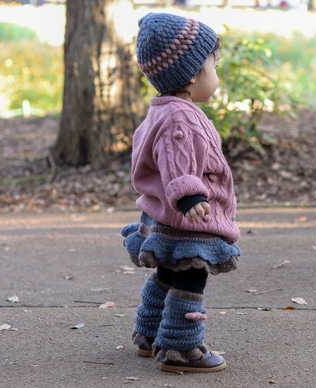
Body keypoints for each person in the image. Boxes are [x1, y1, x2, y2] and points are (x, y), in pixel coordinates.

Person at [121, 12, 241, 374]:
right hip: (188, 218)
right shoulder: (180, 119)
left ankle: (150, 332)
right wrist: (190, 196)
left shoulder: (162, 110)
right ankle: (180, 348)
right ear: (192, 75)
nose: (216, 76)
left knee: (167, 274)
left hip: (163, 215)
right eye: (213, 67)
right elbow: (177, 162)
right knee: (191, 278)